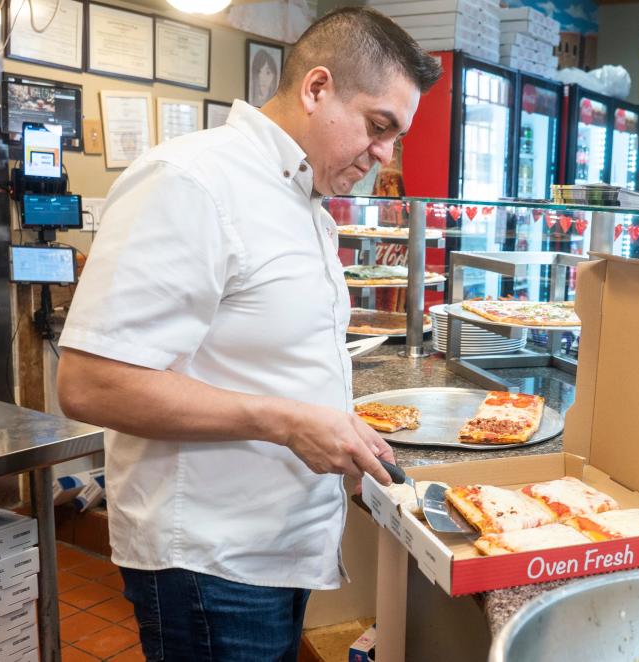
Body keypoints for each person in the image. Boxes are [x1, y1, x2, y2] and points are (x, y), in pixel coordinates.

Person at [56, 8, 441, 660]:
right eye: (379, 127)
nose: (385, 154)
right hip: (210, 561)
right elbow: (90, 383)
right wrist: (290, 422)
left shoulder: (306, 202)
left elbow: (267, 360)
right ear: (316, 88)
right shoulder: (193, 182)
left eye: (394, 136)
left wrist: (337, 431)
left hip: (279, 548)